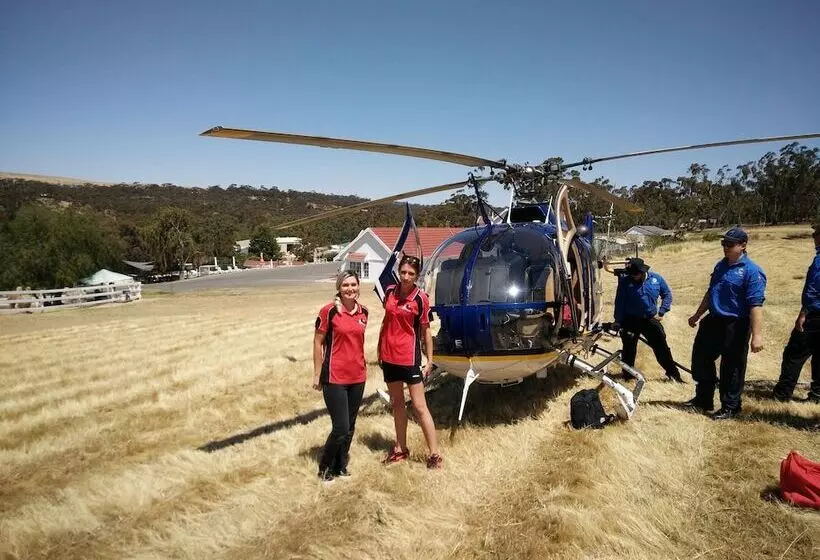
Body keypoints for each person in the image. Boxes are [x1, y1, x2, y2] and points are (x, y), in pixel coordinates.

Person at [686, 227, 767, 420]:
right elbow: (711, 291)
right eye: (724, 243)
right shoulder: (720, 266)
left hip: (735, 325)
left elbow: (755, 305)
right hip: (713, 321)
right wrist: (697, 314)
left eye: (730, 244)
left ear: (743, 246)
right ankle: (703, 399)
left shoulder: (752, 271)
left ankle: (731, 406)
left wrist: (756, 336)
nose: (725, 247)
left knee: (732, 367)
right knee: (701, 359)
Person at [379, 254, 442, 469]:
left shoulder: (420, 298)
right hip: (389, 357)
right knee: (397, 404)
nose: (406, 277)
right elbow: (386, 322)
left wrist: (429, 360)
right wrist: (380, 349)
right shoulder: (389, 292)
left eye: (411, 274)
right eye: (403, 272)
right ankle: (401, 448)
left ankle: (434, 454)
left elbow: (425, 332)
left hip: (409, 359)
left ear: (417, 276)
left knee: (419, 407)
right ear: (399, 270)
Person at [313, 270, 369, 483]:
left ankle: (341, 466)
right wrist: (317, 375)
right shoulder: (329, 312)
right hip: (335, 377)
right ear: (339, 287)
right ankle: (325, 468)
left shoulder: (364, 312)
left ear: (358, 287)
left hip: (358, 376)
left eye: (353, 285)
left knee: (351, 425)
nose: (350, 289)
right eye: (345, 285)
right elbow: (318, 342)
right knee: (341, 427)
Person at [612, 257, 683, 382]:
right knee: (629, 349)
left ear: (643, 271)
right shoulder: (625, 282)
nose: (634, 277)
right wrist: (618, 320)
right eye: (632, 274)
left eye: (636, 274)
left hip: (649, 319)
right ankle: (628, 376)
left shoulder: (656, 279)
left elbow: (667, 294)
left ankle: (673, 375)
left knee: (661, 347)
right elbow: (620, 302)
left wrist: (662, 311)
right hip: (630, 321)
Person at [773, 224, 820, 402]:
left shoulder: (819, 261)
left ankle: (782, 394)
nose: (814, 237)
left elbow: (813, 291)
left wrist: (803, 314)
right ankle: (817, 394)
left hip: (815, 316)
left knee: (794, 355)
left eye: (816, 234)